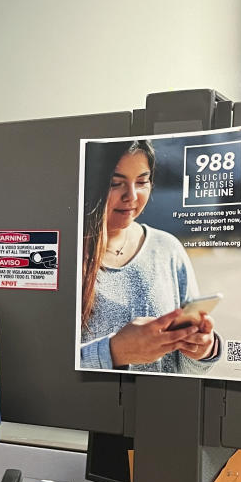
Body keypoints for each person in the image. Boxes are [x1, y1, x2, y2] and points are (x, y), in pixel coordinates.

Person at [78, 139, 221, 373]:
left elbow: (184, 372)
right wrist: (113, 352)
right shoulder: (59, 255)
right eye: (116, 183)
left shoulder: (167, 249)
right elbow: (43, 366)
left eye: (142, 181)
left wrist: (202, 351)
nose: (132, 196)